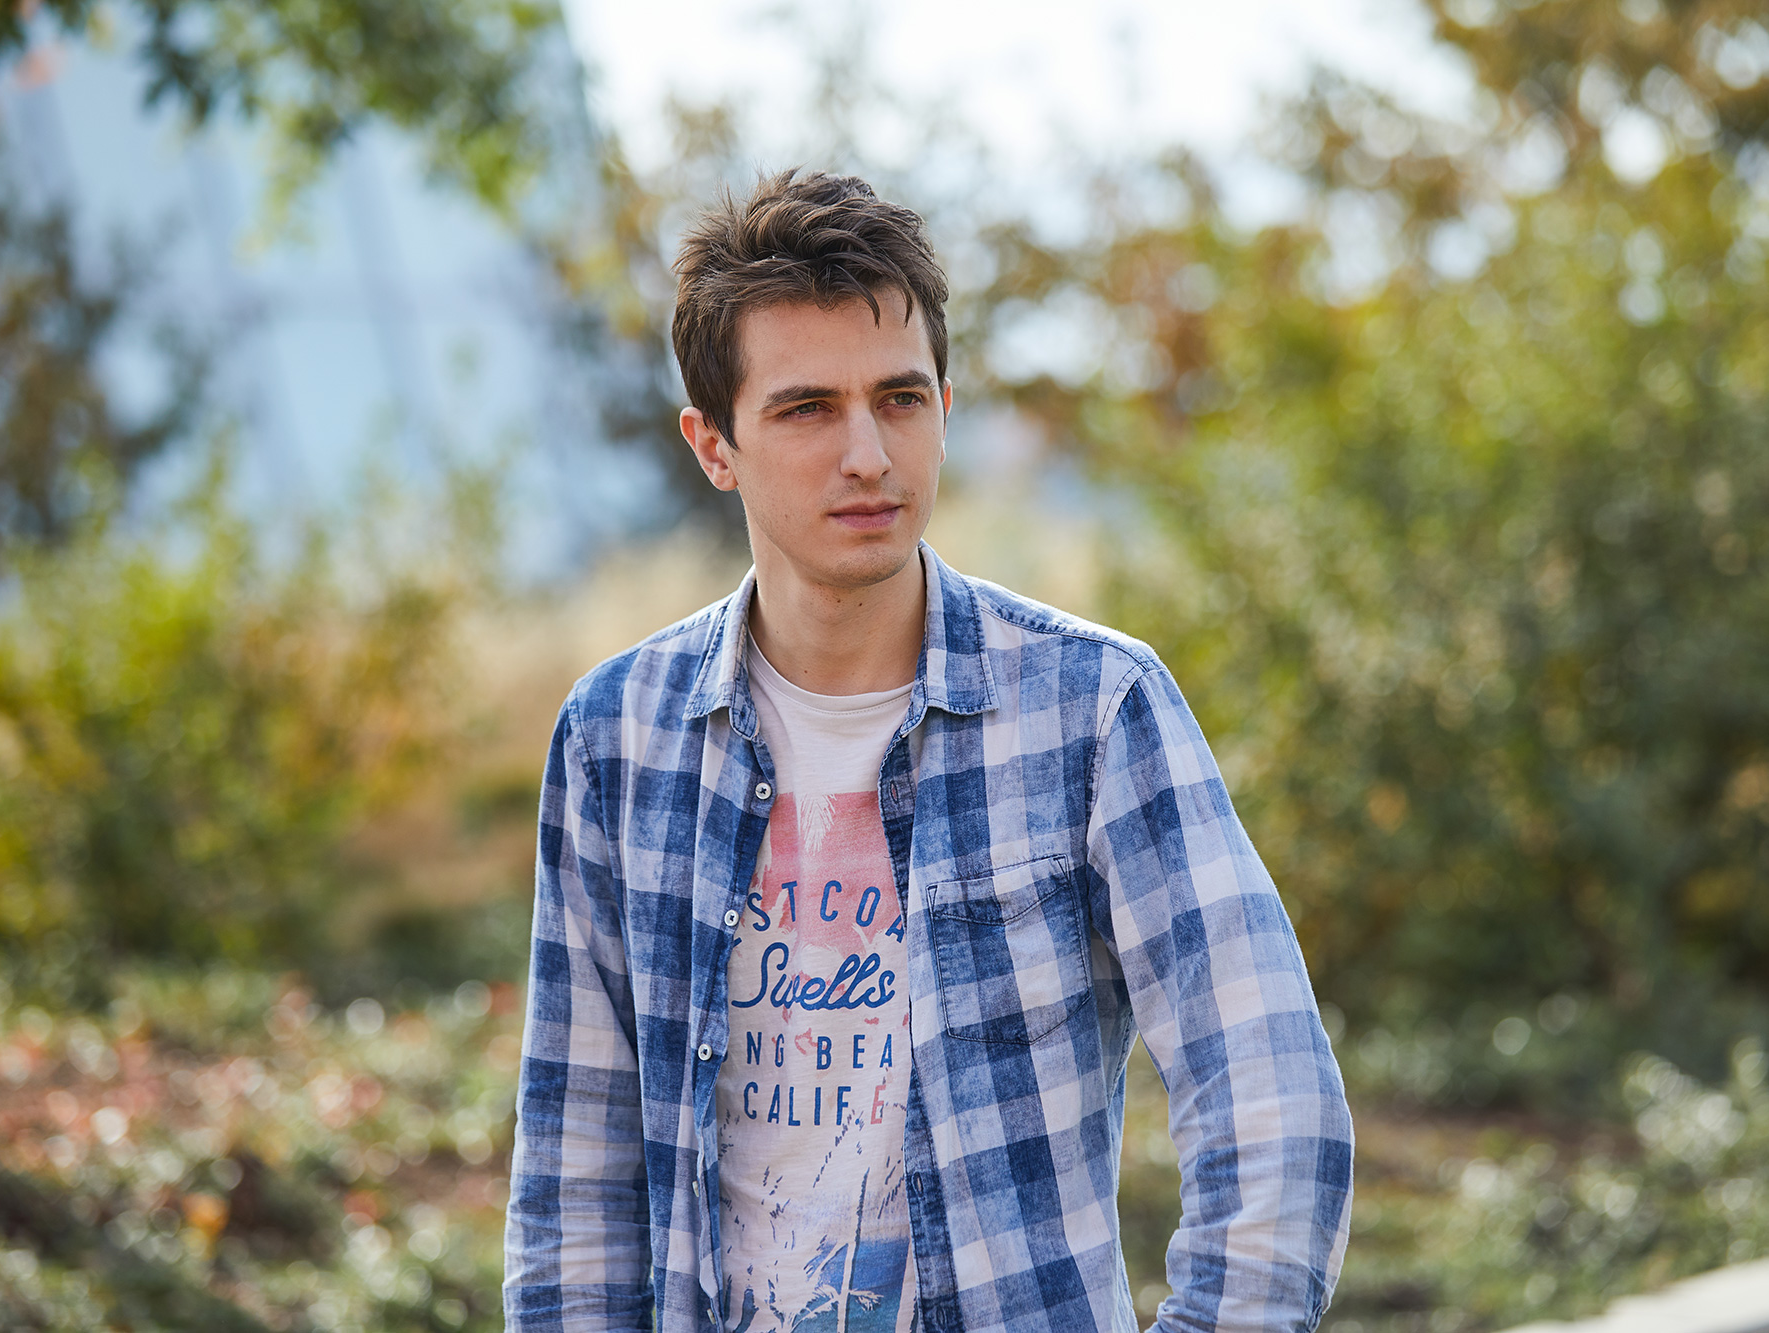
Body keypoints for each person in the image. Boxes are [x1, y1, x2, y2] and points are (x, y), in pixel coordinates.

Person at [503, 169, 1353, 1333]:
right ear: (713, 445)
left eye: (899, 399)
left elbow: (1269, 1103)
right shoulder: (618, 740)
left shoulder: (1091, 709)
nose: (868, 454)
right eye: (806, 409)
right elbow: (574, 1183)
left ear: (943, 407)